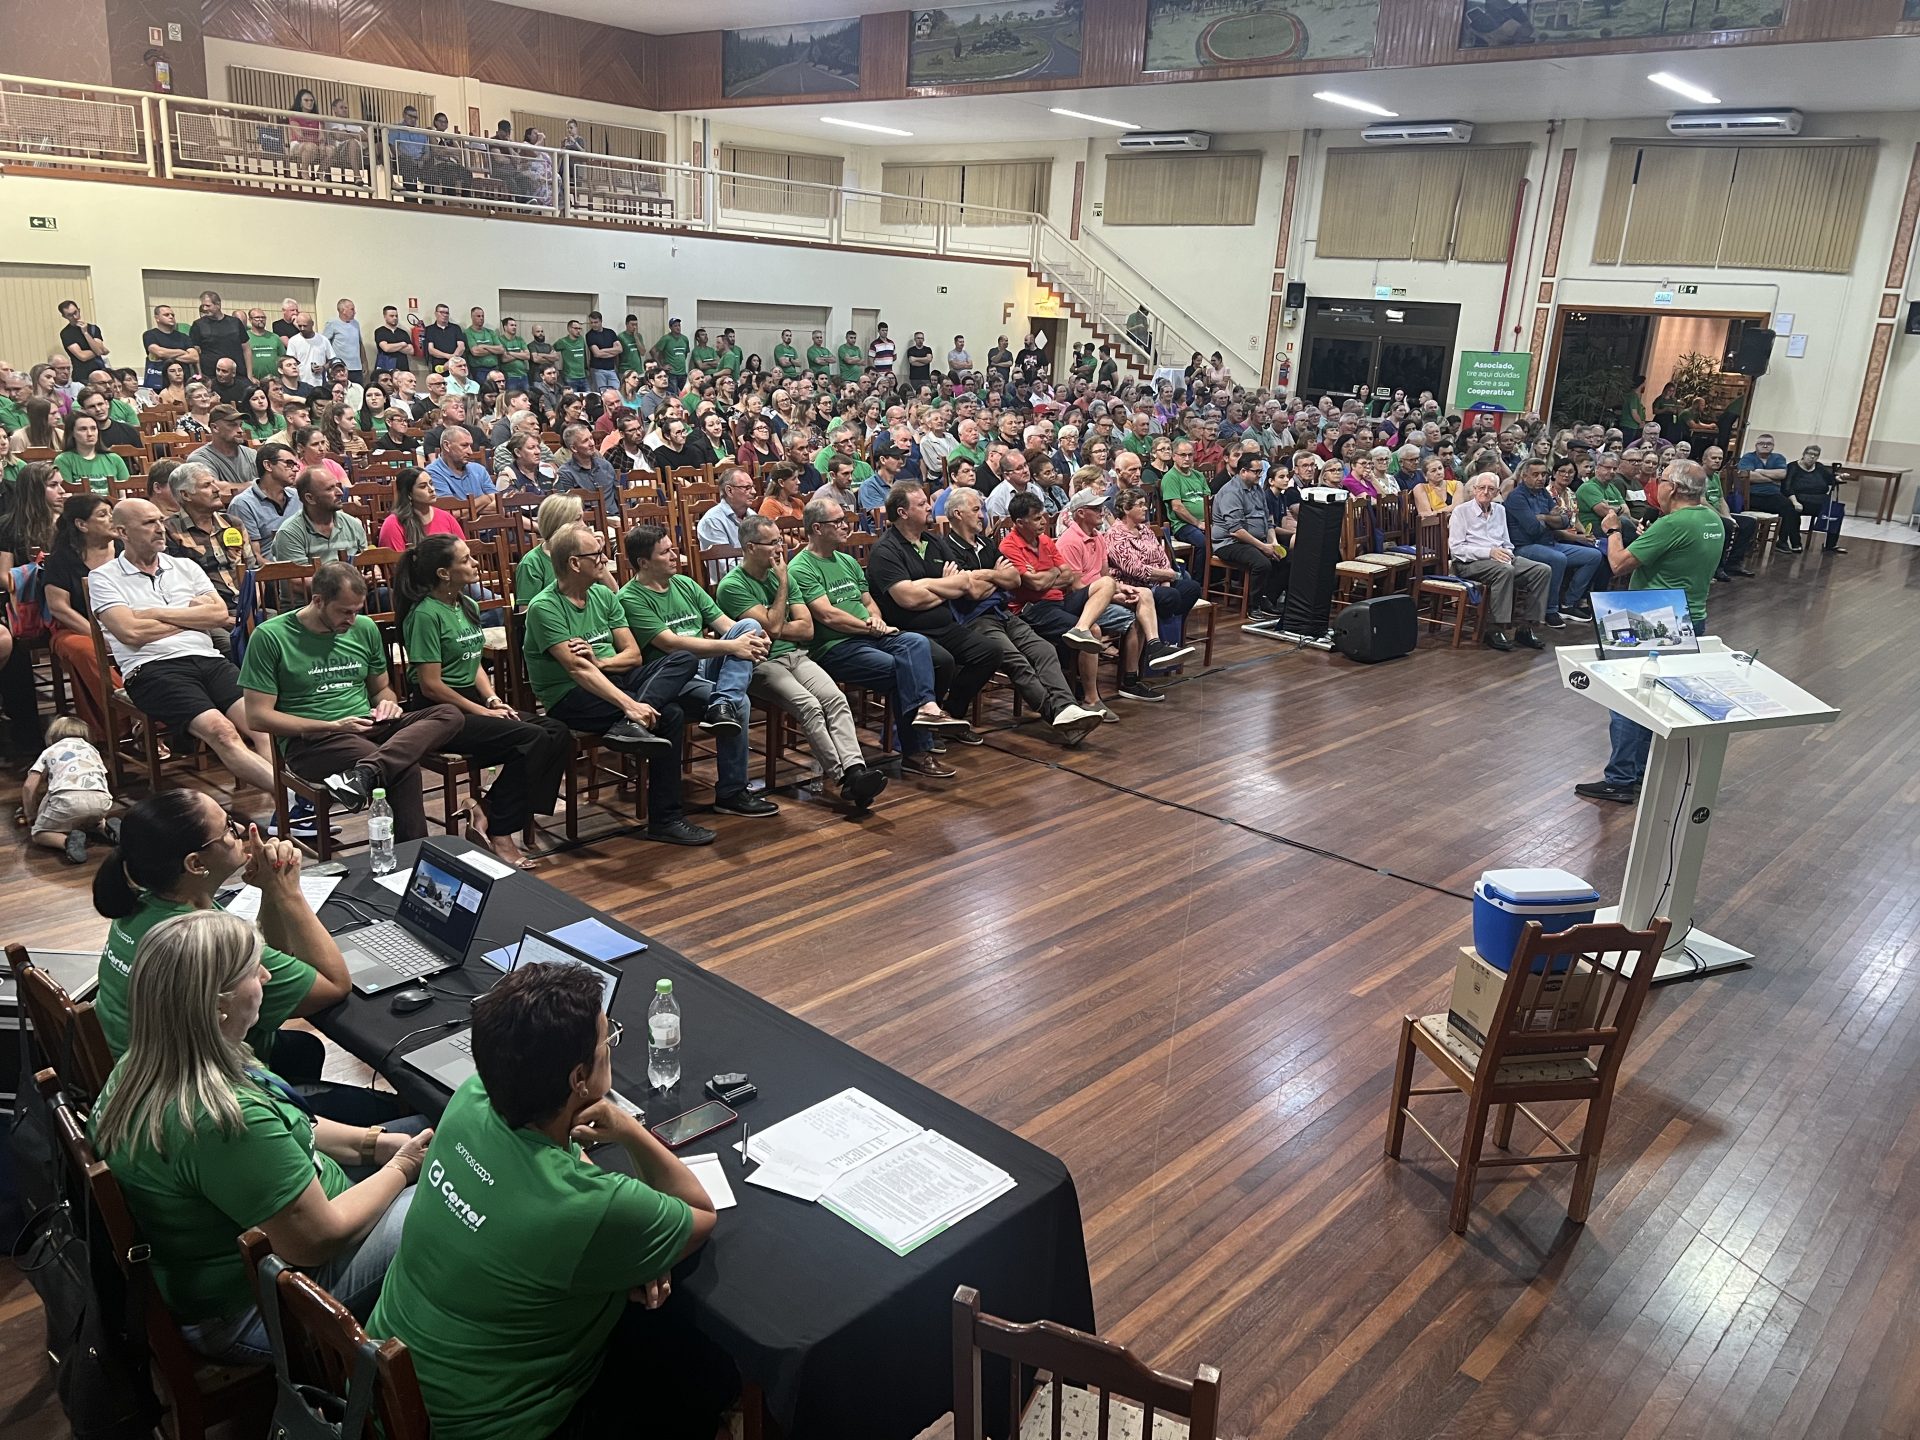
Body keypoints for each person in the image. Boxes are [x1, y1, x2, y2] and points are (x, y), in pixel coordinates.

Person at [368, 960, 731, 1440]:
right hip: (490, 1427)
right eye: (607, 1039)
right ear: (579, 1078)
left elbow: (564, 1164)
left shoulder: (471, 1099)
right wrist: (629, 1131)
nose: (610, 1046)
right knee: (704, 1377)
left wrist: (630, 1240)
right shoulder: (586, 1206)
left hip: (380, 1389)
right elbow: (700, 1214)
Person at [91, 907, 429, 1362]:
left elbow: (293, 1121)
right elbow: (317, 1240)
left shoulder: (154, 1058)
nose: (267, 976)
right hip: (258, 1308)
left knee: (418, 1135)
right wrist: (403, 1168)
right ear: (218, 1004)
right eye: (254, 970)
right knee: (449, 1197)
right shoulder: (219, 1120)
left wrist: (375, 1144)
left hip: (273, 1234)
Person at [520, 523, 714, 845]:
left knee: (683, 658)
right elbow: (579, 671)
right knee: (672, 714)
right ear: (574, 563)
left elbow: (633, 655)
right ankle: (666, 819)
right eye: (597, 554)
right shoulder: (545, 607)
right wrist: (629, 704)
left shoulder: (602, 594)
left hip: (614, 678)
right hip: (570, 696)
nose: (604, 560)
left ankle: (630, 726)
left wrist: (602, 663)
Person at [240, 561, 464, 834]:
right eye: (345, 611)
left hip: (366, 724)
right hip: (313, 740)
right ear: (318, 601)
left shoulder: (364, 628)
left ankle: (362, 775)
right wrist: (332, 726)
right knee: (402, 768)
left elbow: (381, 689)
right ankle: (415, 853)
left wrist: (388, 703)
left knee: (449, 714)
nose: (352, 620)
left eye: (357, 611)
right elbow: (258, 717)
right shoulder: (270, 636)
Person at [397, 536, 569, 868]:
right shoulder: (424, 615)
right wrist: (479, 710)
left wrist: (491, 699)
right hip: (439, 712)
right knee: (531, 738)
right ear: (444, 573)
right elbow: (431, 685)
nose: (475, 563)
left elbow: (473, 662)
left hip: (472, 702)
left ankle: (486, 810)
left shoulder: (466, 604)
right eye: (465, 559)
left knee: (556, 732)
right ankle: (501, 831)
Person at [94, 499, 280, 798]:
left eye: (160, 520)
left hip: (208, 659)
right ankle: (293, 797)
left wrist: (154, 613)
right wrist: (192, 617)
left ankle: (286, 804)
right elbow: (130, 632)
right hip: (152, 669)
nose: (160, 528)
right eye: (149, 523)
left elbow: (219, 615)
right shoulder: (104, 577)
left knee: (263, 726)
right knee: (222, 731)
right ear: (122, 532)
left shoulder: (185, 566)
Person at [787, 494, 969, 780]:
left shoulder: (846, 561)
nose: (846, 526)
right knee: (902, 670)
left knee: (916, 642)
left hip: (870, 634)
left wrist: (876, 619)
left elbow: (868, 601)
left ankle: (928, 708)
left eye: (845, 520)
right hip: (835, 646)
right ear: (817, 528)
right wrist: (869, 627)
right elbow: (828, 616)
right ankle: (916, 751)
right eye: (838, 522)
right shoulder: (801, 567)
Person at [715, 514, 890, 810]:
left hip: (797, 655)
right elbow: (772, 628)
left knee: (835, 699)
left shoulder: (783, 574)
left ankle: (856, 769)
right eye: (772, 543)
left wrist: (778, 622)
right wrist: (783, 584)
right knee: (809, 706)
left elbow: (806, 629)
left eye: (779, 541)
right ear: (750, 547)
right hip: (761, 663)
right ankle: (845, 777)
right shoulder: (732, 586)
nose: (779, 549)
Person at [1575, 462, 1723, 805]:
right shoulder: (1711, 519)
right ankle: (1642, 771)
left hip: (1653, 618)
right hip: (1691, 616)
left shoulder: (1673, 523)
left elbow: (1618, 564)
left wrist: (1613, 530)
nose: (1657, 484)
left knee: (1627, 699)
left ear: (1674, 488)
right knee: (1655, 701)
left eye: (1662, 479)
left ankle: (1620, 778)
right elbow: (1676, 555)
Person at [616, 524, 779, 819]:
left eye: (674, 549)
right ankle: (731, 793)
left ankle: (722, 703)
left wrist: (754, 639)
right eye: (665, 552)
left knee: (750, 625)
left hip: (707, 664)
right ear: (644, 562)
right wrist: (734, 647)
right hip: (674, 677)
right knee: (741, 703)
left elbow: (726, 625)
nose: (674, 556)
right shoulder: (631, 598)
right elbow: (671, 644)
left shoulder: (685, 584)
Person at [1448, 473, 1552, 652]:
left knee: (1542, 570)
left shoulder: (1500, 510)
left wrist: (1507, 554)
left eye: (1491, 489)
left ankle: (1526, 627)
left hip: (1500, 559)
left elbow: (1506, 542)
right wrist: (1489, 552)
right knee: (1505, 571)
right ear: (1474, 490)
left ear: (1497, 492)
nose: (1485, 492)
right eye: (1482, 488)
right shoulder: (1461, 511)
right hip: (1469, 563)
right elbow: (1456, 549)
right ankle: (1495, 628)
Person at [1503, 458, 1604, 625]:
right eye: (1535, 474)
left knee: (1593, 555)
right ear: (1524, 476)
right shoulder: (1516, 497)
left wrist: (1543, 517)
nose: (1540, 478)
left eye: (1543, 474)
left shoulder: (1543, 493)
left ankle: (1568, 603)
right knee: (1558, 559)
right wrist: (1552, 518)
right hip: (1524, 547)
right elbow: (1532, 528)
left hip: (1549, 543)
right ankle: (1550, 610)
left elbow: (1564, 521)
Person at [1107, 485, 1204, 652]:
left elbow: (1162, 557)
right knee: (1170, 596)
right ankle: (1160, 640)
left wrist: (1166, 580)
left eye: (1145, 504)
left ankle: (1166, 632)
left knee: (1192, 588)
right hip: (1134, 586)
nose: (1145, 508)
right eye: (1140, 504)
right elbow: (1135, 569)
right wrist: (1168, 576)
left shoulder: (1145, 530)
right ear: (1126, 509)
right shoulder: (1115, 535)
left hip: (1158, 582)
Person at [22, 716, 115, 864]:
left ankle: (67, 842)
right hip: (101, 800)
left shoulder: (50, 751)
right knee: (92, 819)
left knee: (39, 834)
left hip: (68, 800)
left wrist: (30, 814)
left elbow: (29, 786)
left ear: (52, 735)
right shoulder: (92, 750)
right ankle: (107, 829)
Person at [1209, 451, 1287, 620]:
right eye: (1256, 471)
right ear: (1243, 471)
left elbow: (1268, 520)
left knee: (1287, 558)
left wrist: (1273, 542)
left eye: (1260, 471)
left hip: (1257, 540)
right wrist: (1263, 547)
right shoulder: (1231, 492)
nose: (1260, 475)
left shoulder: (1257, 489)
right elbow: (1236, 530)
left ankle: (1268, 599)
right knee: (1262, 563)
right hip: (1230, 543)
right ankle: (1253, 606)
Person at [269, 465, 369, 564]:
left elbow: (368, 563)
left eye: (337, 486)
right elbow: (298, 574)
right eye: (329, 489)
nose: (340, 493)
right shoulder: (290, 534)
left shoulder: (353, 525)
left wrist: (372, 570)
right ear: (310, 498)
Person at [1735, 433, 1800, 551]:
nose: (1765, 446)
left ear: (1773, 446)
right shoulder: (1748, 457)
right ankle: (1749, 541)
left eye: (1768, 444)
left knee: (1789, 508)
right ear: (1756, 445)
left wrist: (1759, 471)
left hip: (1773, 495)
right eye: (1761, 443)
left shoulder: (1778, 458)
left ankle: (1782, 542)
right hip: (1752, 495)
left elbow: (1782, 474)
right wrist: (1772, 479)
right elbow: (1749, 476)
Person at [513, 494, 582, 604]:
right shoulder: (532, 563)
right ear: (560, 523)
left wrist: (597, 554)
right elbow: (527, 611)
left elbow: (611, 596)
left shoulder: (585, 553)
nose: (584, 525)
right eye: (578, 519)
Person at [380, 465, 466, 551]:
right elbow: (395, 559)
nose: (431, 489)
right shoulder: (393, 524)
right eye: (423, 486)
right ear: (409, 494)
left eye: (431, 483)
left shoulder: (446, 517)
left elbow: (463, 551)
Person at [1783, 444, 1844, 556]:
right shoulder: (1793, 467)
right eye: (1809, 454)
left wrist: (1837, 477)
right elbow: (1787, 487)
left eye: (1815, 455)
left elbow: (1830, 479)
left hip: (1820, 501)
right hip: (1799, 500)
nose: (1812, 457)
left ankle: (1831, 544)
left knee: (1836, 511)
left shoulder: (1819, 467)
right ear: (1803, 454)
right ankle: (1796, 543)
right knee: (1792, 510)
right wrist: (1795, 502)